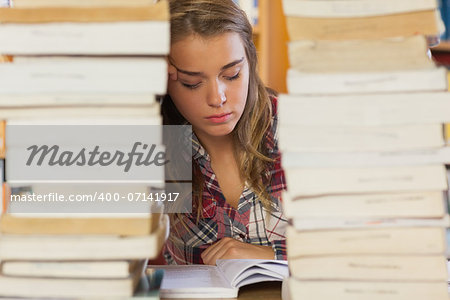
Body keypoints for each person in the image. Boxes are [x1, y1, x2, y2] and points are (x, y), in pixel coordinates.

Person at [161, 0, 287, 265]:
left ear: (250, 63)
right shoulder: (156, 142)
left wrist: (274, 256)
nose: (217, 98)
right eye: (191, 83)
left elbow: (365, 242)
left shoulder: (302, 128)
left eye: (232, 75)